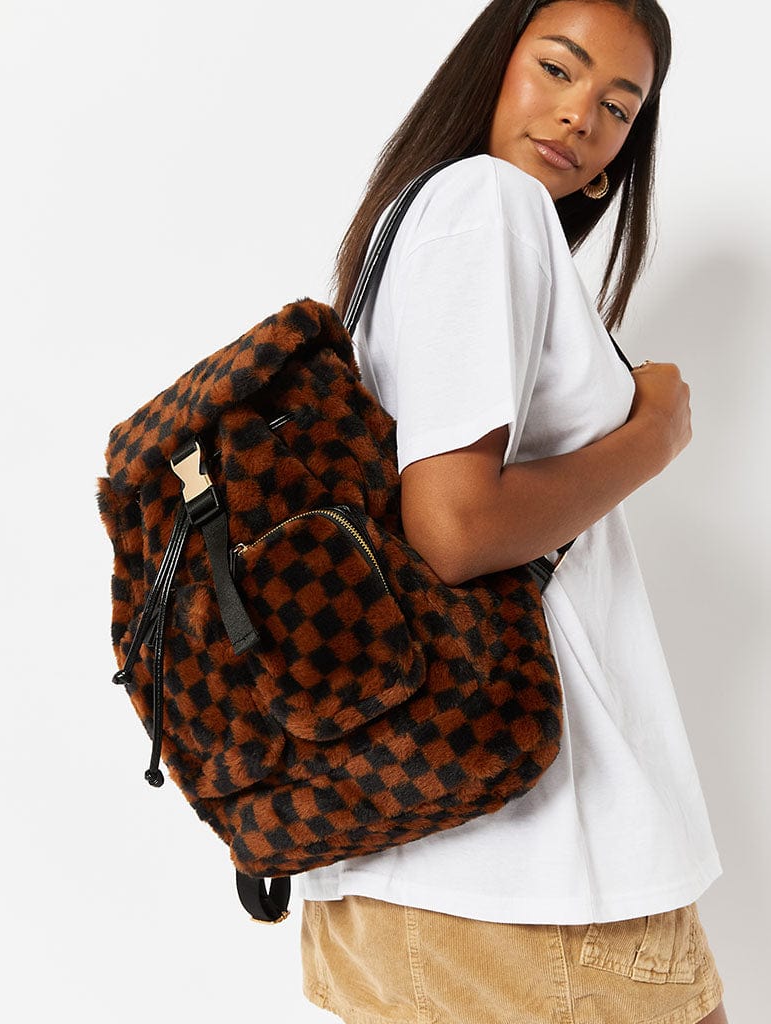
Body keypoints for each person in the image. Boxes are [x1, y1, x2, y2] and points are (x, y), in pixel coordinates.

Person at [299, 2, 728, 1022]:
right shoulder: (485, 203)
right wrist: (653, 434)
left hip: (444, 864)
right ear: (491, 64)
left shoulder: (429, 221)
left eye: (618, 106)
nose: (581, 115)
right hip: (529, 881)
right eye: (558, 69)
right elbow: (452, 529)